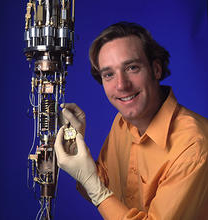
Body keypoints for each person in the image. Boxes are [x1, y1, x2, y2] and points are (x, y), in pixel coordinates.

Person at [54, 22, 208, 219]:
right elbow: (103, 187)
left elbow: (98, 191)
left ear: (156, 69)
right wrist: (77, 145)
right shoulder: (122, 122)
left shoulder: (194, 146)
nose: (121, 85)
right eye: (109, 74)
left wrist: (94, 186)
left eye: (132, 67)